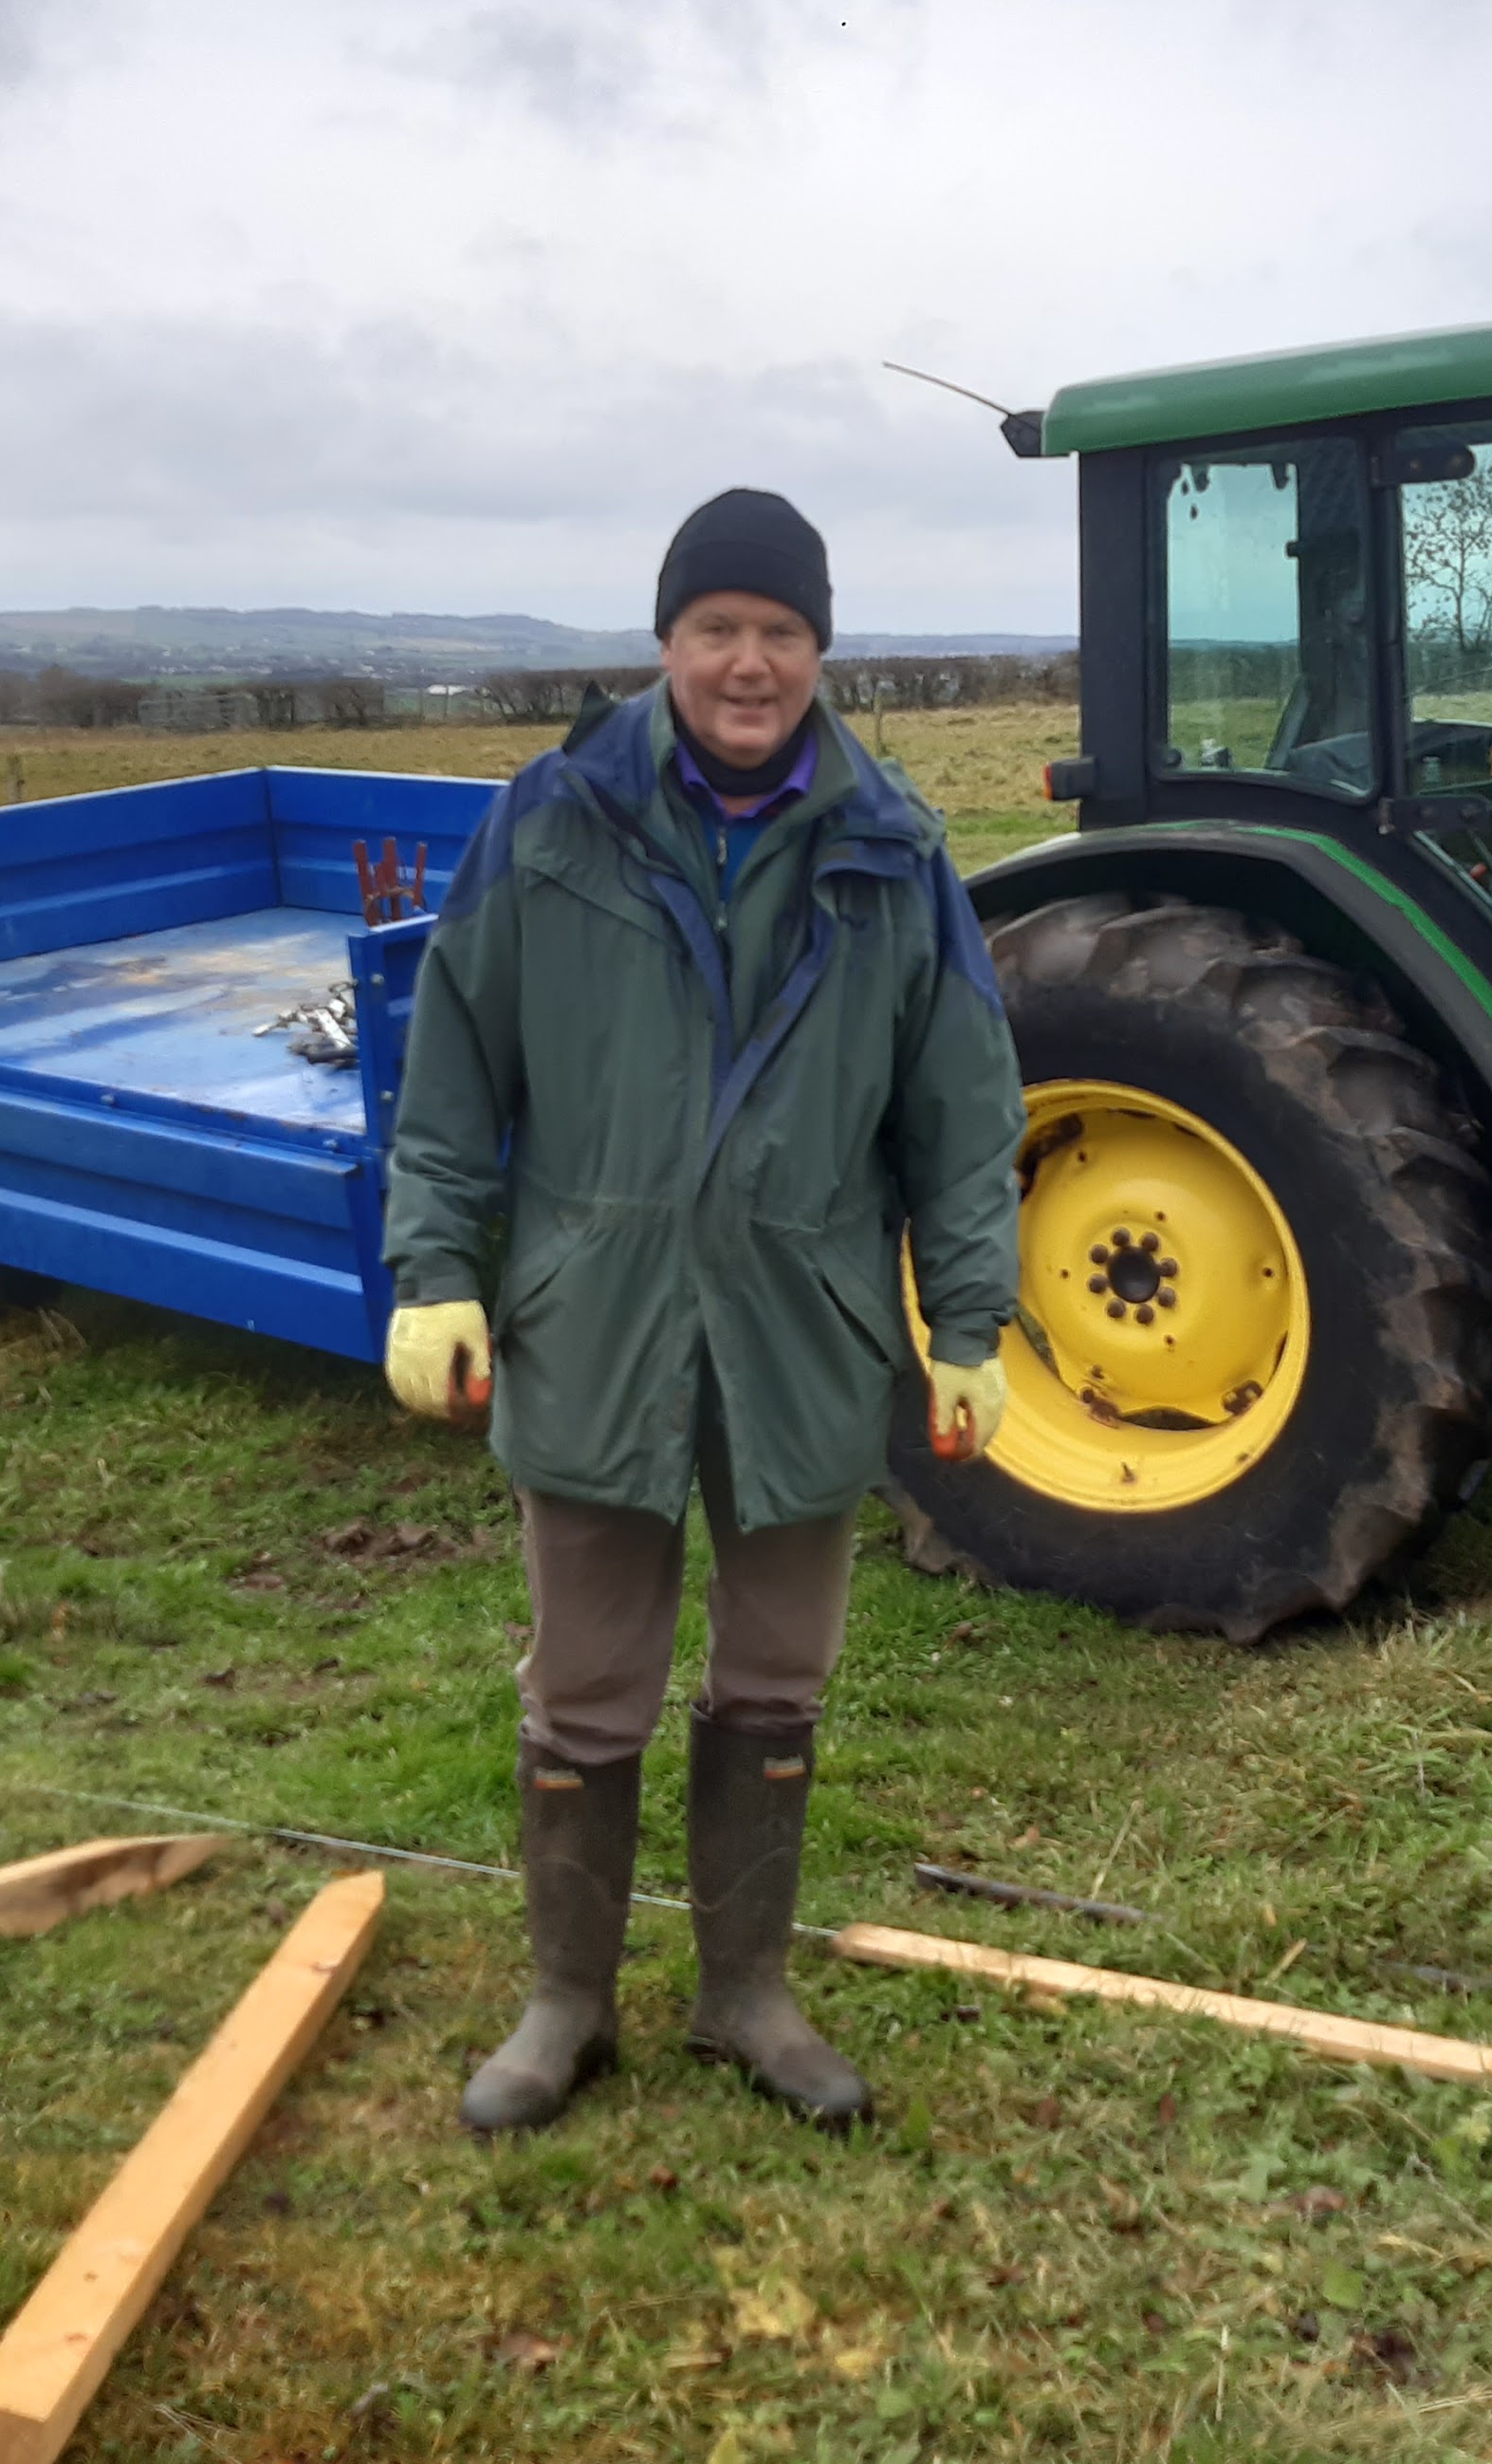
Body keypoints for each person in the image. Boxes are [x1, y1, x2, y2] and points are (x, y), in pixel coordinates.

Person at [379, 487, 1024, 2132]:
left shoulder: (896, 850)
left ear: (821, 649)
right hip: (593, 1313)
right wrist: (437, 1271)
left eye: (781, 632)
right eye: (718, 628)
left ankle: (747, 1994)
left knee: (777, 1675)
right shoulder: (551, 824)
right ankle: (566, 2004)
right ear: (667, 640)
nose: (751, 663)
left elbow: (962, 1112)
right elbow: (452, 1070)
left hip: (801, 1327)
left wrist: (969, 1324)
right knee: (587, 1676)